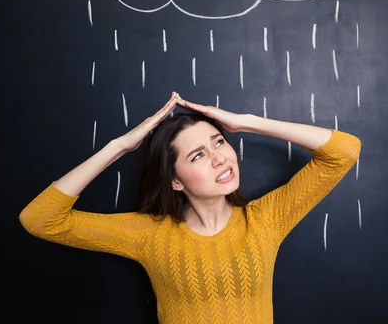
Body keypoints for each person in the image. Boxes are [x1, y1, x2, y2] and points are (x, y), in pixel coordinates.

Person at [19, 92, 361, 324]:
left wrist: (245, 122)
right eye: (198, 155)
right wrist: (120, 146)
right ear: (175, 181)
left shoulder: (265, 220)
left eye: (219, 143)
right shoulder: (149, 235)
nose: (219, 159)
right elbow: (40, 219)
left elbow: (344, 151)